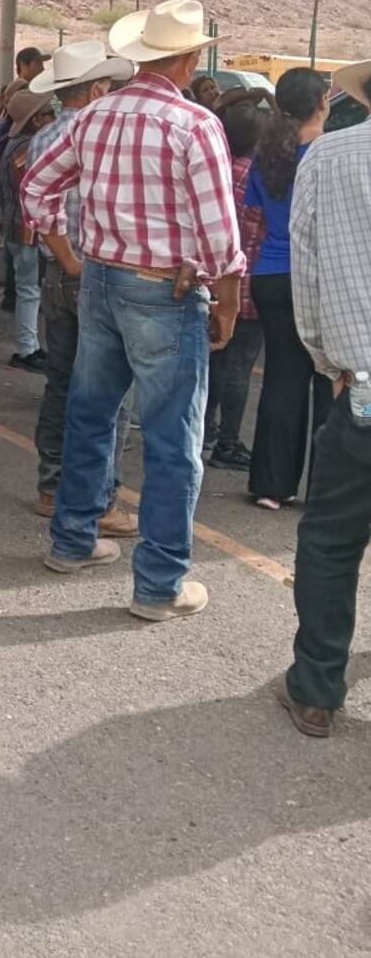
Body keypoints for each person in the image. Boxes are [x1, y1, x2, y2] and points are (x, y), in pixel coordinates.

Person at [22, 0, 244, 623]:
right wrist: (226, 297)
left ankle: (73, 541)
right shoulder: (194, 124)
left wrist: (64, 250)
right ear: (191, 56)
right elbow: (219, 232)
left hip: (101, 278)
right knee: (174, 439)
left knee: (91, 415)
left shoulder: (93, 117)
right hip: (164, 291)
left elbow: (36, 184)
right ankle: (160, 584)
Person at [280, 58, 371, 738]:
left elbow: (306, 275)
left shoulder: (329, 156)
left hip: (363, 388)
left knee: (334, 538)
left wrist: (328, 361)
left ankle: (316, 688)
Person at [25, 41, 136, 535]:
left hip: (60, 271)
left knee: (62, 382)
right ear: (95, 89)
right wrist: (75, 260)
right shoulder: (102, 133)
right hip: (95, 270)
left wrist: (63, 259)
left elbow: (37, 200)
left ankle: (51, 485)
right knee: (109, 393)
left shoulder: (44, 134)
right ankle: (101, 496)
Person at [245, 68, 333, 510]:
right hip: (318, 277)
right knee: (329, 381)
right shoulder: (329, 153)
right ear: (322, 101)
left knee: (282, 377)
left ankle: (271, 484)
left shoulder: (267, 153)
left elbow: (255, 210)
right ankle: (325, 487)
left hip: (271, 275)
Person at [203, 99, 266, 470]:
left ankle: (206, 429)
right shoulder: (257, 177)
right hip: (247, 279)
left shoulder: (218, 170)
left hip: (212, 280)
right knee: (240, 364)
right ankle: (228, 441)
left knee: (215, 359)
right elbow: (262, 229)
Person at [0, 88, 55, 372]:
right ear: (35, 120)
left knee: (27, 289)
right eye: (48, 113)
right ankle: (27, 347)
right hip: (26, 229)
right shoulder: (27, 147)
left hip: (15, 225)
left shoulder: (13, 143)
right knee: (29, 290)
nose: (53, 118)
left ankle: (28, 344)